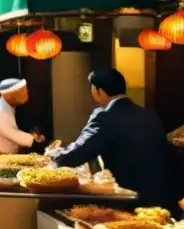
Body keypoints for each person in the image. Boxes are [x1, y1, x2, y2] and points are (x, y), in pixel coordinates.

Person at [50, 68, 173, 209]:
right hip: (161, 198)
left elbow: (80, 152)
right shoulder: (150, 116)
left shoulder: (106, 117)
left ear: (98, 91)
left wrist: (54, 157)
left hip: (127, 199)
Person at [0, 78, 45, 153]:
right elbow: (11, 132)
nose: (26, 94)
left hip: (4, 153)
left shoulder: (8, 106)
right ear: (9, 95)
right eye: (21, 92)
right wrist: (34, 139)